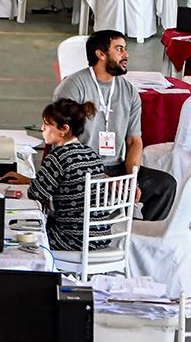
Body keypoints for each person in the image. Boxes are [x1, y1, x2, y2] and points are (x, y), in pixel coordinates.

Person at [23, 30, 177, 220]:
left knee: (164, 185)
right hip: (81, 169)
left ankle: (131, 234)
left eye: (125, 50)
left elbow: (133, 141)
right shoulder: (73, 87)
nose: (126, 55)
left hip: (117, 167)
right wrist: (101, 177)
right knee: (99, 191)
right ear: (100, 54)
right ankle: (101, 227)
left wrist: (132, 179)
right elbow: (64, 142)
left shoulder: (129, 92)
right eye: (119, 49)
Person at [23, 99, 107, 252]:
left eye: (47, 125)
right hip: (100, 238)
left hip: (71, 239)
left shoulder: (58, 157)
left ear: (63, 130)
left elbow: (35, 193)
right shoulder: (91, 154)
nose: (42, 128)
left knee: (22, 234)